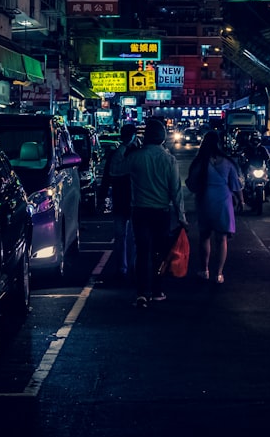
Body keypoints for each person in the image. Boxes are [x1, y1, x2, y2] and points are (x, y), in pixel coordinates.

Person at [113, 117, 187, 308]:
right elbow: (176, 191)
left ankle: (141, 293)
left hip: (140, 211)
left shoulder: (136, 156)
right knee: (159, 253)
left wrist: (125, 145)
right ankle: (157, 290)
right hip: (162, 212)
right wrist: (181, 216)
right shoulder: (169, 160)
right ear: (163, 137)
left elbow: (115, 169)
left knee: (142, 251)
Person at [186, 129, 243, 285]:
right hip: (223, 201)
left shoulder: (200, 162)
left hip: (205, 201)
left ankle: (204, 270)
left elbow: (191, 184)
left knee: (204, 237)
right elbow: (236, 185)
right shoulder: (227, 161)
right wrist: (240, 201)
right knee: (222, 238)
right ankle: (218, 274)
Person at [100, 123, 140, 281]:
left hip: (121, 199)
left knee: (121, 236)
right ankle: (132, 266)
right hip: (134, 200)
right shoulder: (137, 153)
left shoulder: (116, 154)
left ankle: (123, 268)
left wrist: (102, 197)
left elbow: (106, 178)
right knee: (133, 236)